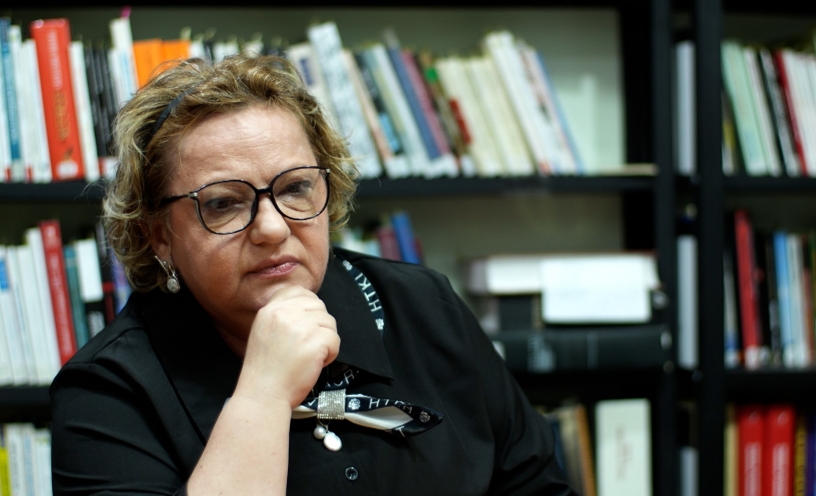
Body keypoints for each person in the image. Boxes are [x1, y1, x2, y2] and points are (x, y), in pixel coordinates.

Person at [50, 54, 573, 496]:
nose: (273, 228)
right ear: (158, 235)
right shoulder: (107, 391)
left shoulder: (423, 305)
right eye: (224, 203)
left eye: (295, 188)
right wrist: (263, 392)